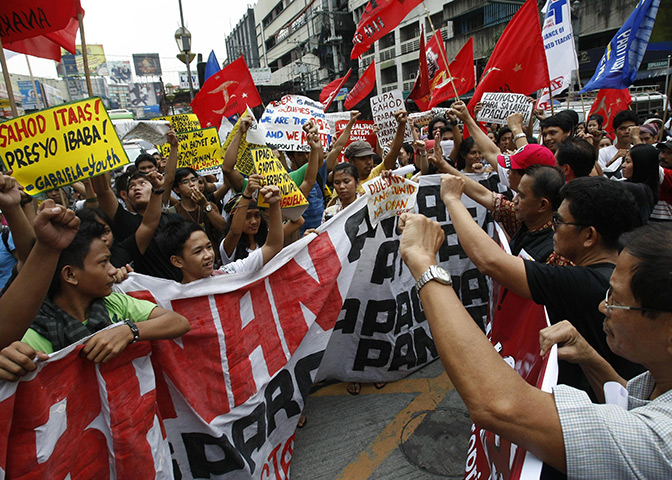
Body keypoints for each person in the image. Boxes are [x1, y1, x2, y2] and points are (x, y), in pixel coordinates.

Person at [398, 214, 672, 478]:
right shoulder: (659, 380)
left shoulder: (659, 441)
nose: (603, 305)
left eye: (616, 299)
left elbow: (500, 405)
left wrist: (424, 263)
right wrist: (592, 360)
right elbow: (630, 403)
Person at [438, 174, 643, 396]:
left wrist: (452, 200)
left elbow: (491, 261)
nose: (552, 228)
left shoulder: (582, 283)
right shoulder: (624, 274)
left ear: (589, 236)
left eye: (559, 221)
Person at [0, 218, 190, 379]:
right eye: (103, 262)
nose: (113, 270)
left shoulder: (115, 303)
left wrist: (129, 331)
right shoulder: (32, 338)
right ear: (71, 275)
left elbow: (178, 322)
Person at [159, 184, 283, 283]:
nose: (208, 255)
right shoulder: (175, 300)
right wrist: (247, 194)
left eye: (208, 247)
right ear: (177, 261)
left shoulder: (227, 274)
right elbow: (235, 232)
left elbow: (273, 246)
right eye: (198, 251)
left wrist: (275, 204)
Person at [621, 144, 660, 224]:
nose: (623, 165)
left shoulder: (639, 189)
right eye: (624, 161)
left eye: (628, 162)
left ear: (640, 165)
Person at [598, 109, 639, 177]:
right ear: (615, 132)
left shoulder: (639, 149)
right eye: (622, 128)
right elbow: (601, 174)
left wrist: (636, 138)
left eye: (630, 128)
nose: (626, 131)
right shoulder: (603, 152)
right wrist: (615, 158)